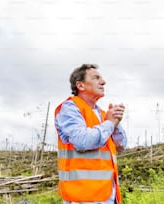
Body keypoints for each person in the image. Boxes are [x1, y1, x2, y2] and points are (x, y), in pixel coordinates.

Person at [54, 64, 127, 204]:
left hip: (107, 196)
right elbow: (82, 141)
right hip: (82, 197)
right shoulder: (69, 109)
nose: (103, 82)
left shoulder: (104, 115)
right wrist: (110, 124)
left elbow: (121, 145)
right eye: (96, 78)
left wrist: (116, 124)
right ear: (80, 85)